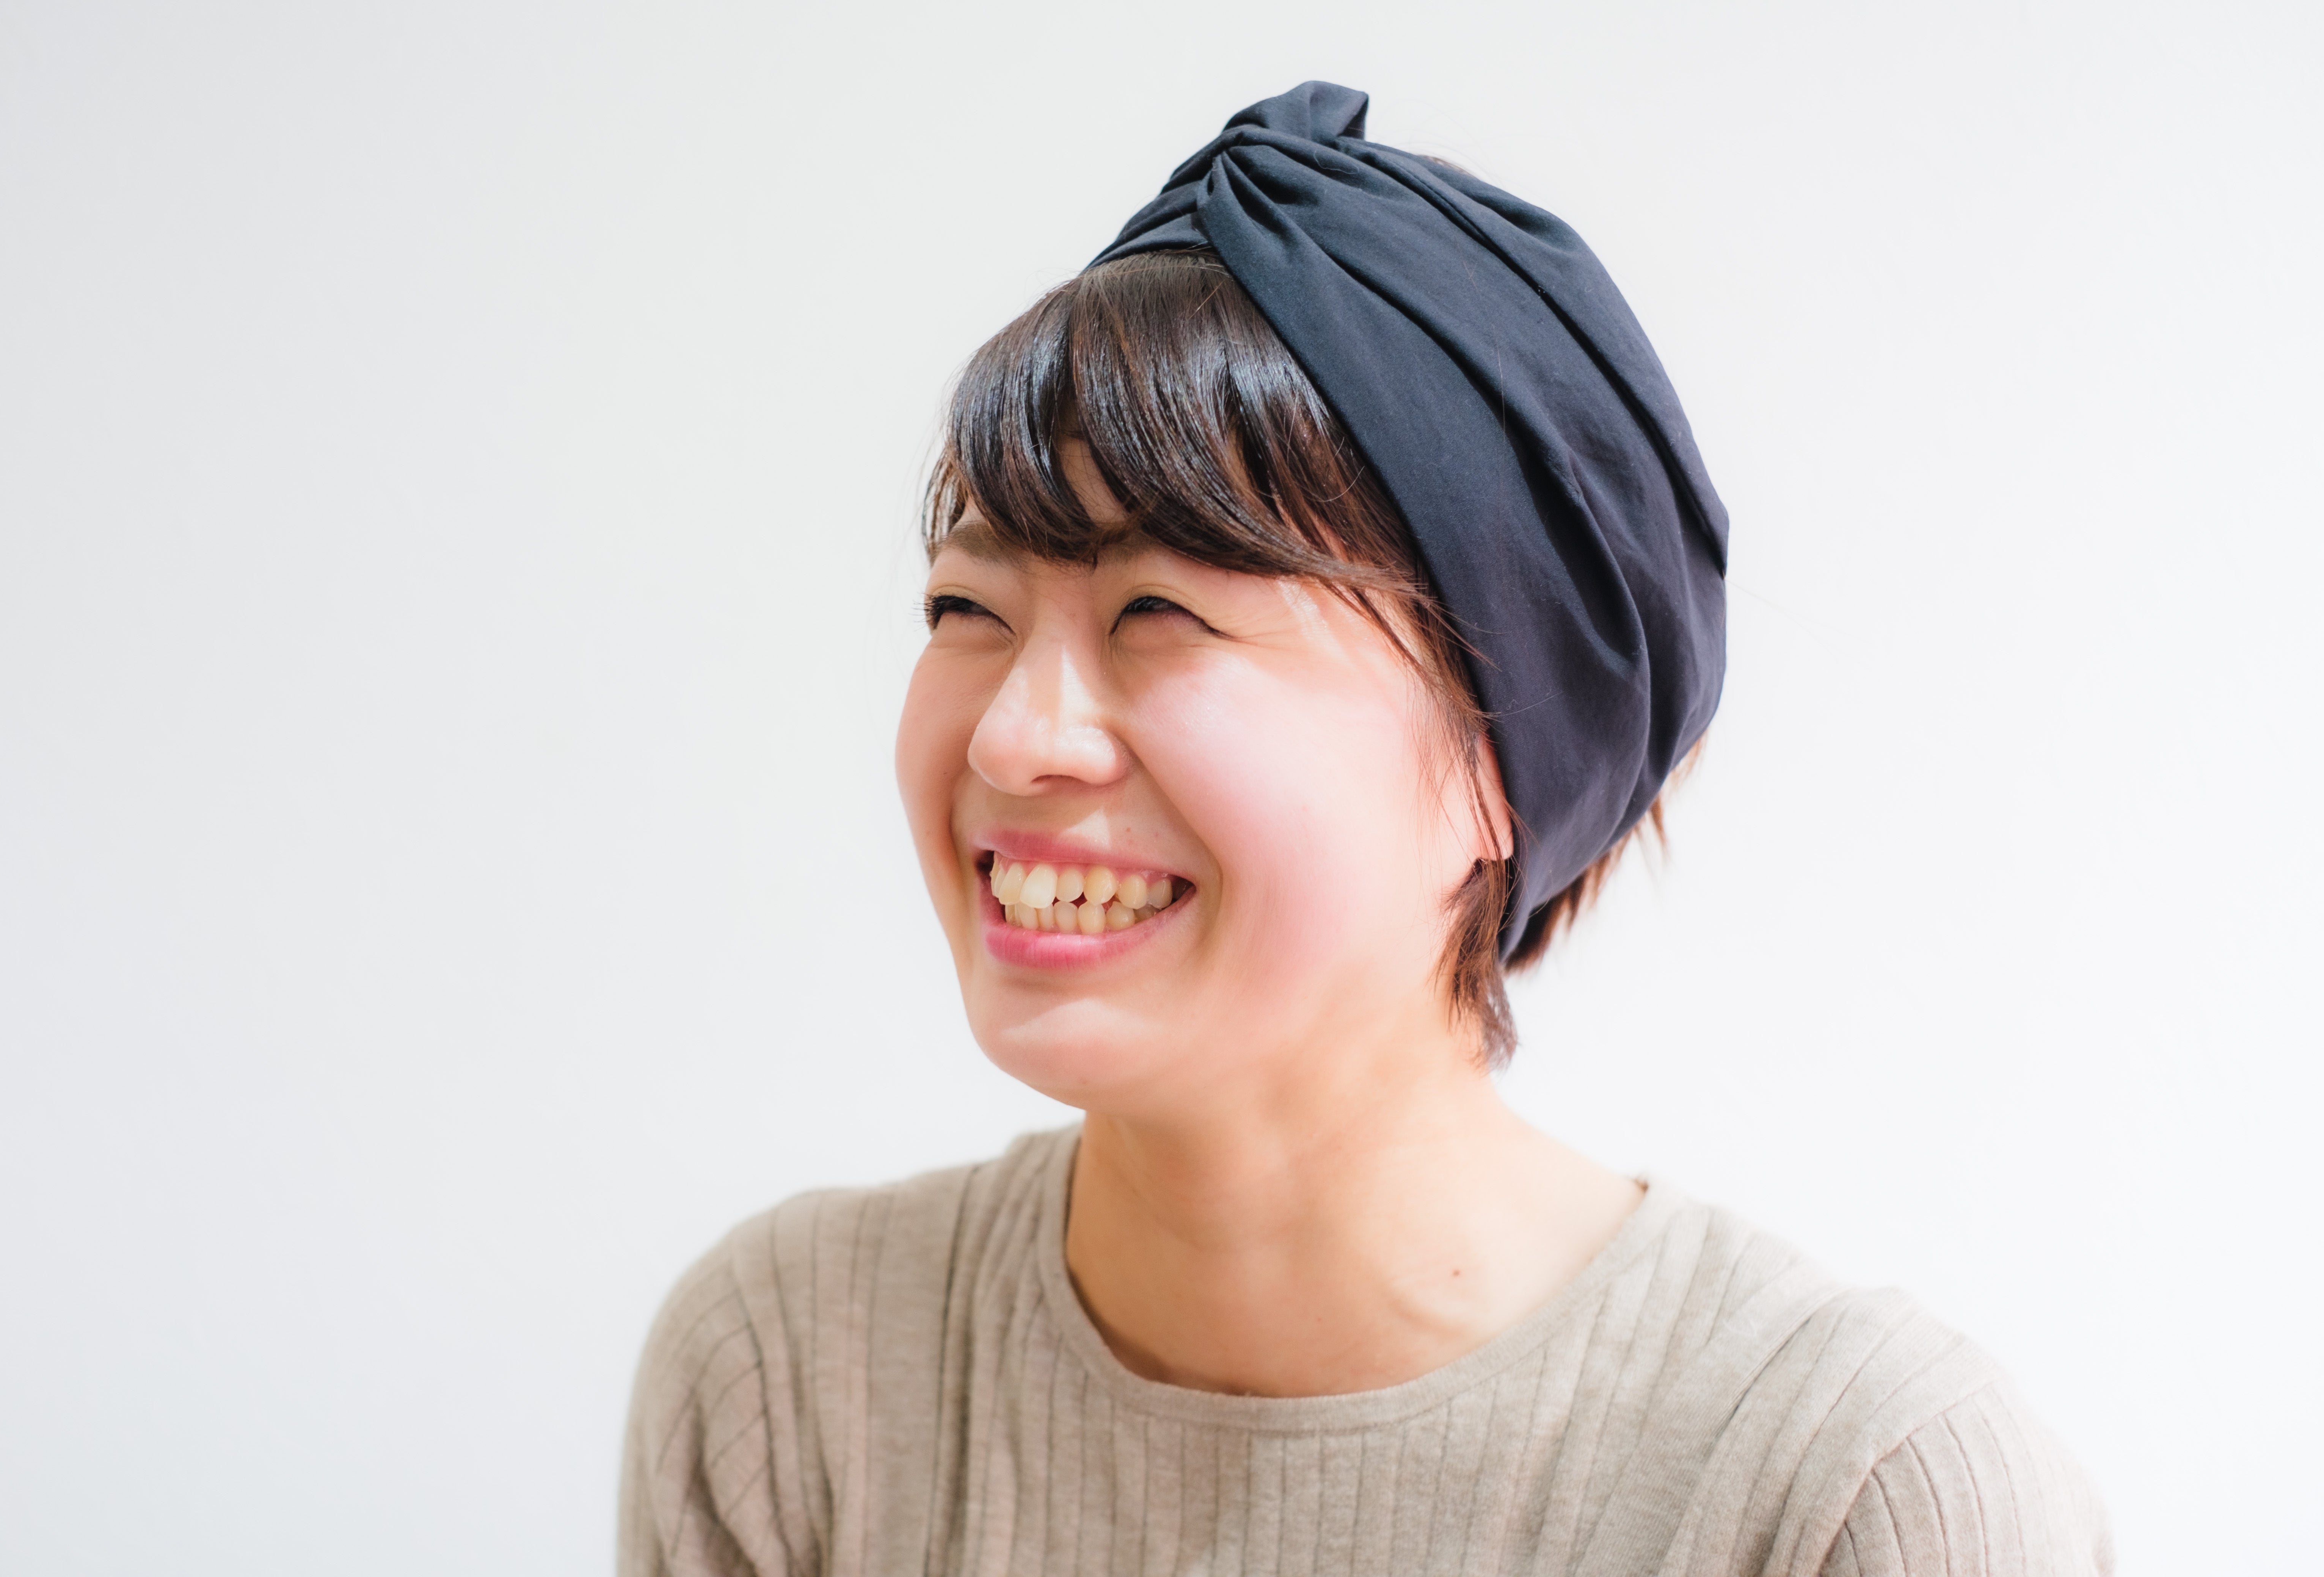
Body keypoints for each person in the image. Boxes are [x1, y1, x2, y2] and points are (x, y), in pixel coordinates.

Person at [619, 83, 2109, 1576]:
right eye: (966, 606)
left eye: (1161, 612)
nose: (1014, 736)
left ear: (1496, 756)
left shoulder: (1852, 1496)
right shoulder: (794, 1382)